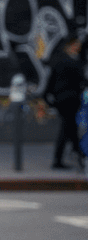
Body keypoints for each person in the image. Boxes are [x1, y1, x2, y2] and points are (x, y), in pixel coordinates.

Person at [46, 36, 85, 169]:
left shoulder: (57, 60)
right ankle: (58, 161)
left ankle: (78, 153)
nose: (78, 47)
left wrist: (47, 97)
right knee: (66, 128)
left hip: (60, 99)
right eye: (76, 45)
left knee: (71, 127)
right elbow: (81, 80)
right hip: (70, 99)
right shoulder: (74, 61)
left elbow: (51, 80)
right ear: (70, 46)